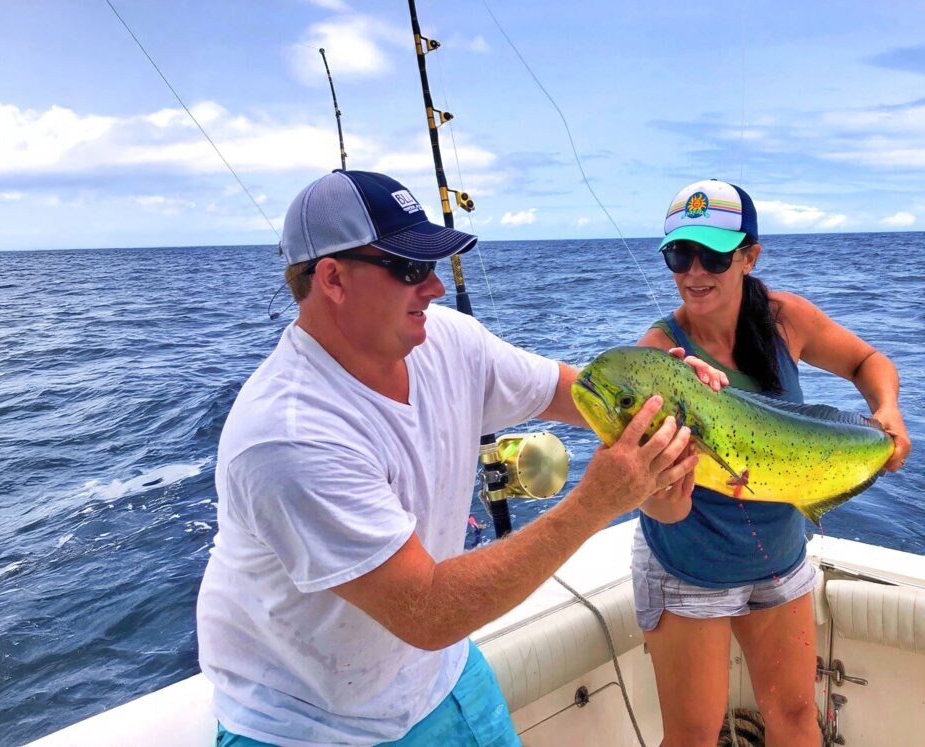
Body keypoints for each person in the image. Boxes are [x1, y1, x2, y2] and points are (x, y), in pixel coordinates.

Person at [195, 169, 721, 746]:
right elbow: (427, 611)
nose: (436, 288)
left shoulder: (446, 339)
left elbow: (569, 391)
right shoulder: (290, 435)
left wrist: (669, 396)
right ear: (333, 279)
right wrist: (597, 502)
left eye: (436, 265)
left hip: (441, 675)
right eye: (411, 269)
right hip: (312, 726)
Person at [634, 179, 913, 747]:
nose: (693, 271)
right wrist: (660, 496)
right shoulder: (657, 358)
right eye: (678, 254)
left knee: (794, 714)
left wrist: (887, 410)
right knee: (693, 733)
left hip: (780, 557)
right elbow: (650, 497)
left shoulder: (785, 318)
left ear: (749, 256)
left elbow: (867, 360)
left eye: (711, 254)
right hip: (692, 564)